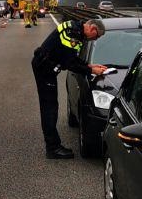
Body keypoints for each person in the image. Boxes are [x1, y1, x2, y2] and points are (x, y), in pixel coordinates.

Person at [32, 18, 108, 158]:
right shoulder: (73, 34)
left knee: (50, 107)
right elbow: (70, 63)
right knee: (49, 108)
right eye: (96, 36)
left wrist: (90, 66)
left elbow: (71, 57)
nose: (94, 39)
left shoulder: (76, 29)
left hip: (46, 65)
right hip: (44, 68)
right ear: (92, 29)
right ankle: (53, 148)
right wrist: (91, 71)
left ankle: (53, 146)